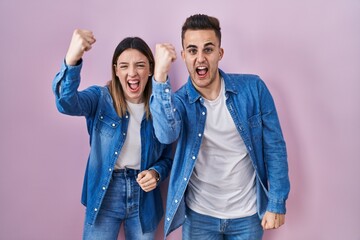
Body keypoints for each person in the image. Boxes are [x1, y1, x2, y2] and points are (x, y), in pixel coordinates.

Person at [150, 14, 290, 239]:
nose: (200, 58)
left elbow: (275, 147)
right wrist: (159, 76)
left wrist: (276, 202)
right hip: (199, 216)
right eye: (193, 51)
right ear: (184, 56)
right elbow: (166, 134)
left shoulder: (253, 89)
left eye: (208, 49)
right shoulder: (179, 102)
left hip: (247, 215)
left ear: (220, 53)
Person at [52, 29, 172, 240]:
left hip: (143, 198)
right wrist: (72, 58)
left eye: (140, 65)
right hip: (105, 192)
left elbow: (168, 153)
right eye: (124, 66)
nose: (132, 73)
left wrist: (155, 173)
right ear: (116, 70)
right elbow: (65, 102)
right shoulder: (100, 99)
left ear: (151, 69)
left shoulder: (160, 107)